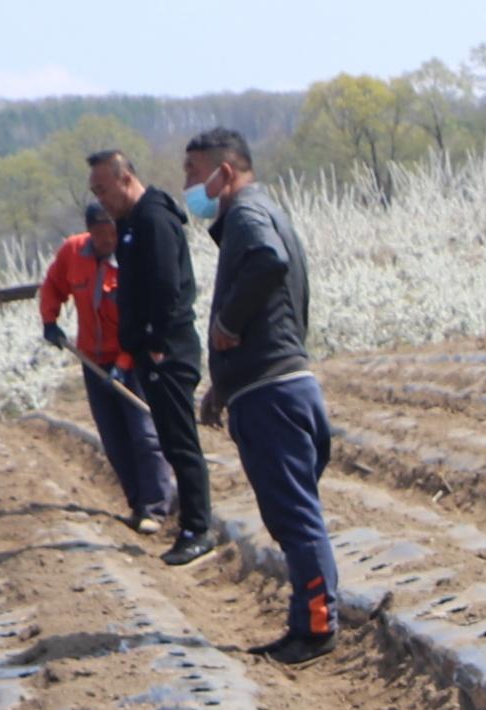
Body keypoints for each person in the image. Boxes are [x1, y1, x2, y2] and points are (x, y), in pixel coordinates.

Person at [183, 126, 336, 662]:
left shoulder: (248, 215)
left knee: (296, 517)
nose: (189, 187)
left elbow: (267, 261)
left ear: (225, 172)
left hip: (273, 394)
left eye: (193, 174)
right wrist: (221, 386)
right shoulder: (263, 212)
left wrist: (227, 319)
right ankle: (305, 622)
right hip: (278, 388)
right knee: (293, 513)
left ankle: (316, 629)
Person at [89, 149, 212, 568]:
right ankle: (190, 526)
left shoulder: (154, 219)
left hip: (169, 351)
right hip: (149, 350)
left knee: (180, 442)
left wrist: (156, 341)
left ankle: (198, 529)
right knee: (170, 439)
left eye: (103, 189)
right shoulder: (130, 223)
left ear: (125, 179)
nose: (99, 199)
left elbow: (165, 287)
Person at [38, 200, 173, 532]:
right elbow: (53, 284)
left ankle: (158, 506)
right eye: (99, 234)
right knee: (113, 437)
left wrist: (124, 363)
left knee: (144, 434)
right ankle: (138, 503)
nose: (106, 241)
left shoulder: (130, 259)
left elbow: (138, 318)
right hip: (93, 360)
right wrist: (49, 320)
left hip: (131, 358)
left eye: (110, 233)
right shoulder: (73, 252)